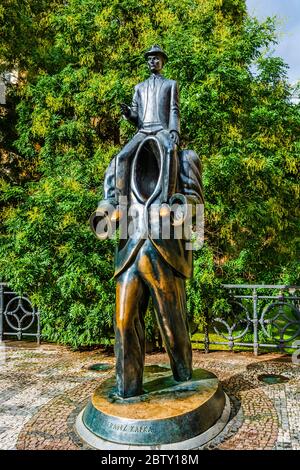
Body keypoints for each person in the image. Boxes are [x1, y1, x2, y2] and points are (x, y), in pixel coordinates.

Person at [90, 47, 204, 398]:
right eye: (148, 58)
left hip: (164, 253)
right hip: (129, 252)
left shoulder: (184, 157)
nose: (152, 61)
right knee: (123, 322)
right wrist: (106, 215)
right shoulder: (119, 164)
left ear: (163, 61)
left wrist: (177, 210)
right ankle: (128, 389)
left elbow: (196, 205)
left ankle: (184, 377)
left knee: (173, 327)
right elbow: (108, 202)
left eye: (157, 57)